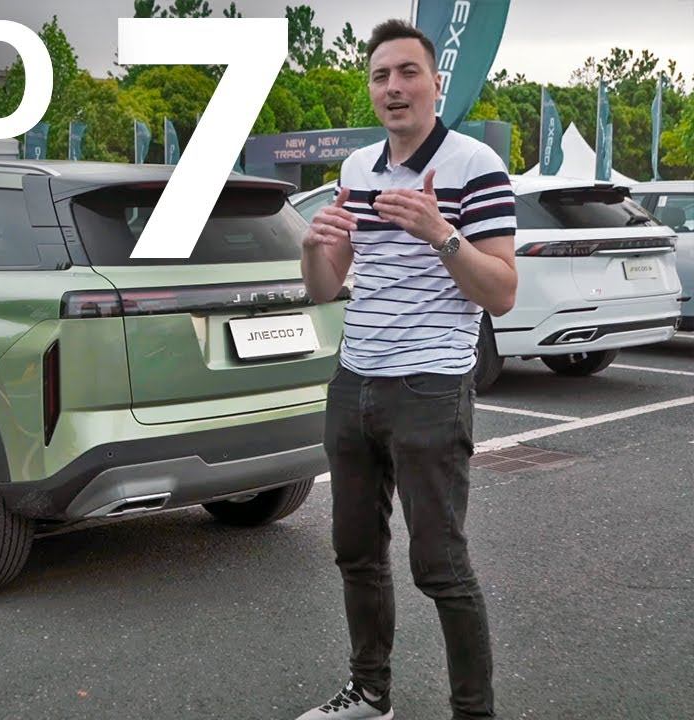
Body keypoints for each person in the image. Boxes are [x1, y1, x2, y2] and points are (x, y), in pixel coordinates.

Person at [294, 19, 517, 720]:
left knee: (440, 566)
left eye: (408, 72)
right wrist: (314, 247)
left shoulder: (475, 165)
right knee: (355, 553)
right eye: (380, 75)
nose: (393, 87)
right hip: (354, 379)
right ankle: (370, 694)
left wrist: (439, 232)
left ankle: (473, 712)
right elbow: (324, 288)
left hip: (430, 386)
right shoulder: (357, 170)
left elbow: (501, 293)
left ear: (435, 84)